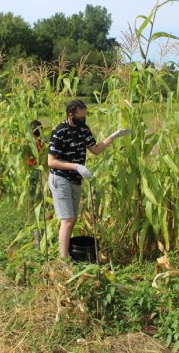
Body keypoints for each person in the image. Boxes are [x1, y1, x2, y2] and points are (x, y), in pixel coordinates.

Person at [47, 99, 130, 260]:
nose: (84, 120)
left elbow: (95, 149)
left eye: (85, 117)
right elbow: (51, 161)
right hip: (60, 178)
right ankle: (63, 261)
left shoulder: (83, 129)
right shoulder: (60, 132)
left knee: (71, 219)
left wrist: (113, 137)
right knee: (68, 219)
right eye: (81, 117)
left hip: (75, 180)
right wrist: (76, 166)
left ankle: (66, 255)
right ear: (71, 115)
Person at [26, 120, 45, 205]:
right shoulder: (36, 141)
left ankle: (32, 202)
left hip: (32, 167)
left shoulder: (31, 141)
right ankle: (33, 202)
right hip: (35, 166)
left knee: (33, 186)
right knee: (35, 185)